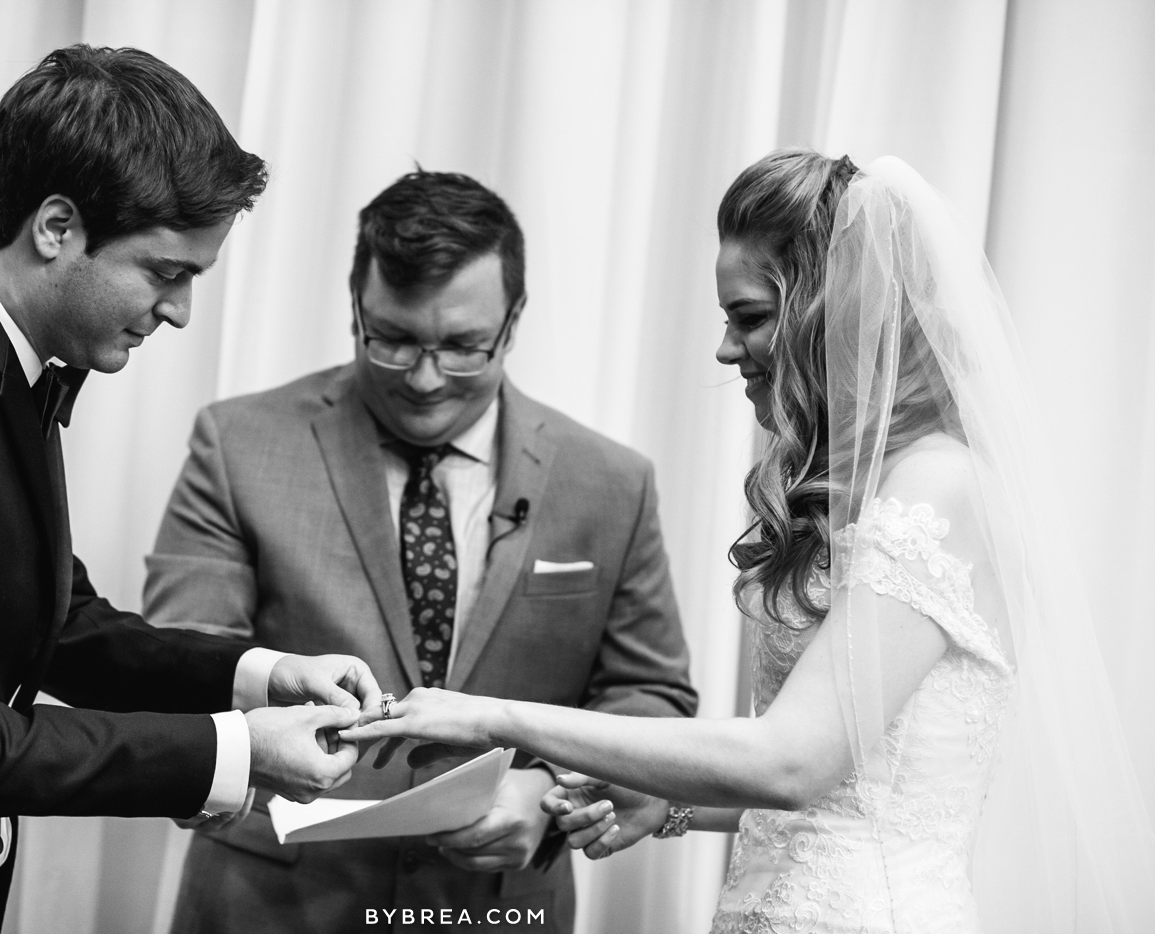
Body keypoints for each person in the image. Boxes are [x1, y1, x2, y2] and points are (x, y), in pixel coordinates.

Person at [345, 151, 1155, 932]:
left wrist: (498, 719)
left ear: (831, 314)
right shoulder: (859, 486)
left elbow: (794, 761)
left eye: (751, 318)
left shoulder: (939, 486)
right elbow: (844, 793)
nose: (728, 348)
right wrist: (670, 804)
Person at [0, 46, 383, 934]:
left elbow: (54, 622)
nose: (178, 312)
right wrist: (229, 753)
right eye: (167, 273)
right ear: (57, 227)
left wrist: (261, 678)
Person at [144, 169, 697, 933]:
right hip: (270, 904)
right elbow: (181, 662)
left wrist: (549, 793)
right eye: (395, 341)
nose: (428, 380)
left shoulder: (611, 483)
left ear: (514, 320)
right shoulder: (237, 444)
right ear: (355, 312)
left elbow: (652, 697)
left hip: (499, 908)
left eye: (465, 347)